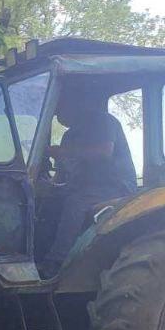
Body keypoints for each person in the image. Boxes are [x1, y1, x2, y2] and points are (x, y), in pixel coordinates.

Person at [39, 91, 138, 274]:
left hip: (115, 186)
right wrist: (48, 187)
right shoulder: (69, 135)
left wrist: (64, 152)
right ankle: (38, 254)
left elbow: (104, 152)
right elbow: (62, 175)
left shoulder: (102, 121)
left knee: (75, 203)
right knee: (46, 202)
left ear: (72, 105)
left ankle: (56, 263)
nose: (57, 115)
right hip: (85, 187)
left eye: (59, 109)